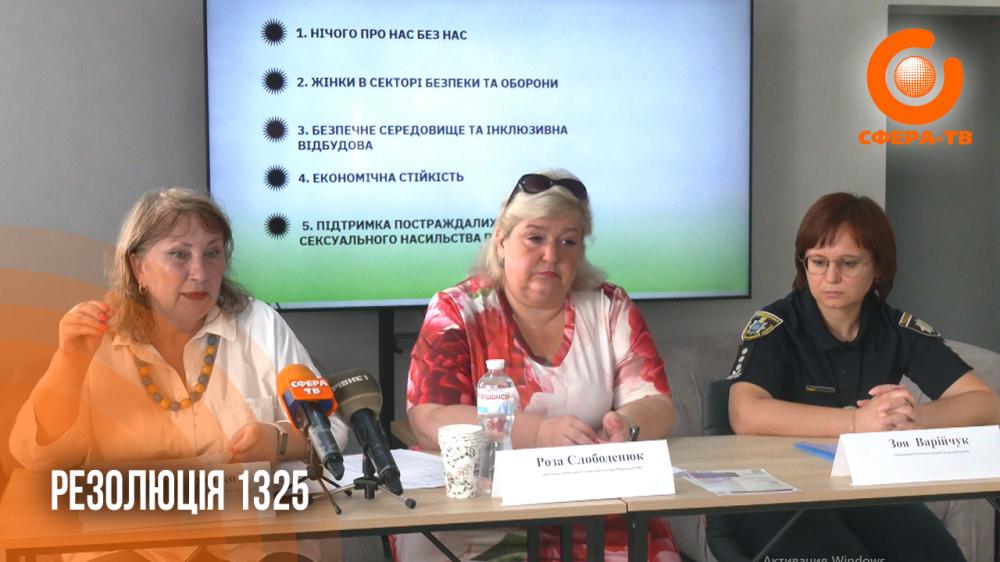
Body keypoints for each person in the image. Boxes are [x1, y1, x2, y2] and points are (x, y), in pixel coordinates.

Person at [10, 187, 348, 562]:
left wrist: (277, 439)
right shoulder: (98, 335)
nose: (200, 272)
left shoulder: (260, 324)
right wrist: (70, 363)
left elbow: (331, 431)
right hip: (131, 543)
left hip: (250, 541)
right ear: (138, 268)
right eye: (179, 254)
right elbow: (36, 457)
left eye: (212, 253)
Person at [401, 171, 680, 562]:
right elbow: (430, 419)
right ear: (501, 241)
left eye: (568, 241)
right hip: (480, 517)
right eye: (535, 238)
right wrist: (539, 432)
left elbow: (657, 403)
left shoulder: (609, 306)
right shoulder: (457, 310)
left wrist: (628, 425)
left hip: (596, 511)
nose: (552, 255)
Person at [727, 192, 1000, 561]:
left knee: (940, 555)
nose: (831, 277)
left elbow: (986, 404)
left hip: (865, 488)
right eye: (818, 262)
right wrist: (858, 422)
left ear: (879, 268)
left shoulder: (896, 328)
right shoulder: (777, 325)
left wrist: (911, 418)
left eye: (848, 263)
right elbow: (744, 412)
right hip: (777, 493)